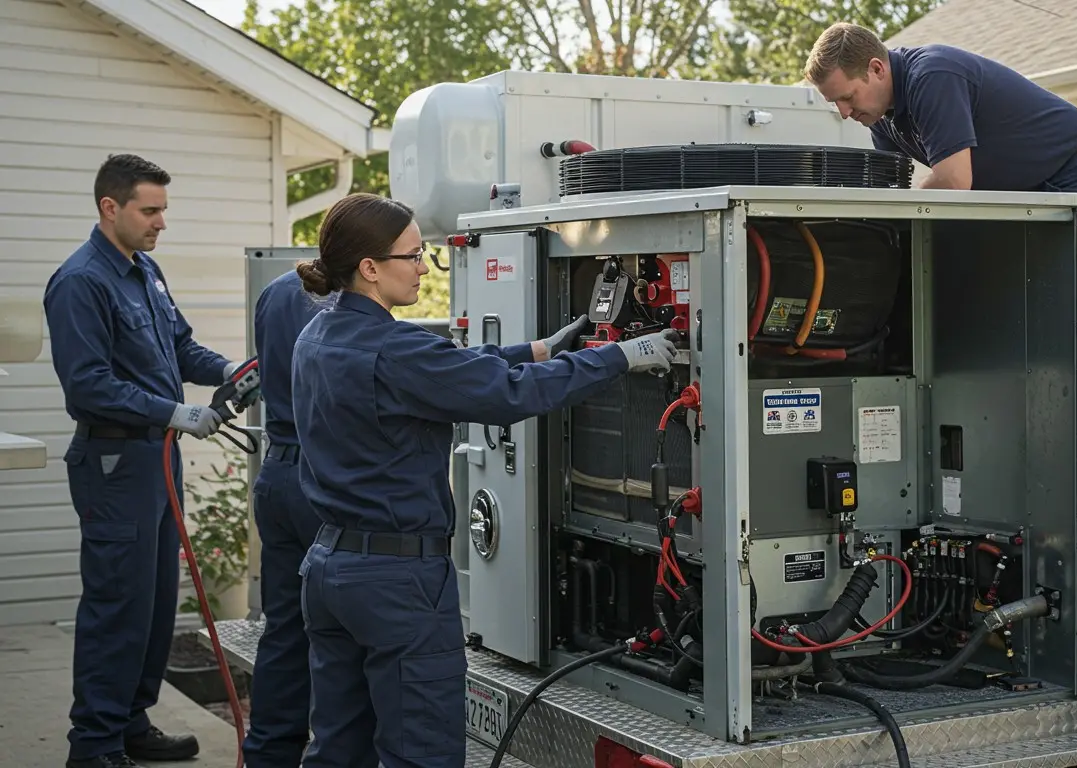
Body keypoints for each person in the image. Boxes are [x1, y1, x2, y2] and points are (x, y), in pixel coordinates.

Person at [289, 192, 679, 767]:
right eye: (414, 255)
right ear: (370, 268)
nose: (424, 267)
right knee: (420, 752)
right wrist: (621, 357)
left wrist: (540, 348)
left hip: (329, 569)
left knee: (336, 748)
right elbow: (506, 395)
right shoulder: (395, 350)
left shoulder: (317, 338)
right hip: (398, 583)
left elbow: (456, 372)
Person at [45, 153, 250, 768]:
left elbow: (179, 345)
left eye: (164, 209)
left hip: (156, 461)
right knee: (118, 605)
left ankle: (130, 722)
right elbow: (87, 385)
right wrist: (175, 413)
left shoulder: (144, 271)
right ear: (111, 208)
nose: (162, 222)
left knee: (158, 603)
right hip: (114, 463)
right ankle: (95, 744)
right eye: (151, 210)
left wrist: (231, 371)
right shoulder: (81, 281)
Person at [804, 22, 1077, 194]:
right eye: (835, 103)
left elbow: (953, 182)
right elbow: (891, 195)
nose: (844, 112)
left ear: (877, 69)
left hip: (1072, 172)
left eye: (847, 97)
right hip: (1018, 190)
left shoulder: (932, 77)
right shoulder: (878, 115)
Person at [239, 267, 326, 766]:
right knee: (343, 640)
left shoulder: (276, 291)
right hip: (321, 480)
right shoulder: (342, 303)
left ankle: (268, 755)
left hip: (277, 477)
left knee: (285, 630)